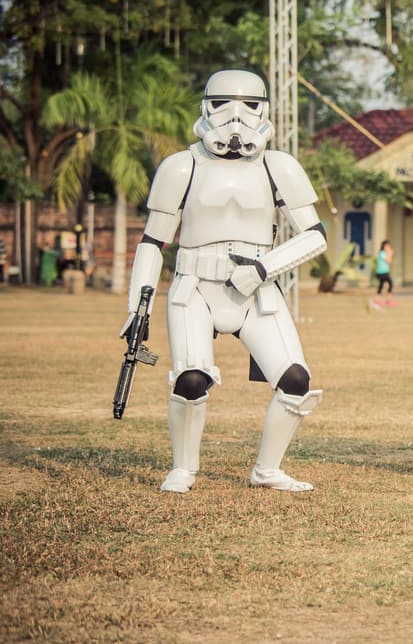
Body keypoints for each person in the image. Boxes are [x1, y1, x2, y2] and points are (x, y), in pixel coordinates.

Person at [123, 69, 327, 493]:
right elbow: (152, 241)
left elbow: (315, 236)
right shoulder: (181, 167)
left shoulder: (279, 166)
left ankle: (267, 470)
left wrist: (262, 270)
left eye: (249, 106)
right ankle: (184, 468)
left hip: (255, 288)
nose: (236, 118)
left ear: (265, 110)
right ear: (205, 107)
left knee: (296, 380)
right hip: (194, 285)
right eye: (223, 105)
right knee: (191, 379)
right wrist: (136, 306)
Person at [371, 239, 395, 309]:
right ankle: (388, 300)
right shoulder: (382, 253)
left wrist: (390, 254)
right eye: (387, 246)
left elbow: (390, 261)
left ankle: (376, 300)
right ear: (383, 246)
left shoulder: (383, 253)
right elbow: (388, 261)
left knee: (381, 286)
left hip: (384, 272)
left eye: (389, 246)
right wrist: (390, 254)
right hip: (382, 272)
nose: (388, 248)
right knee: (390, 284)